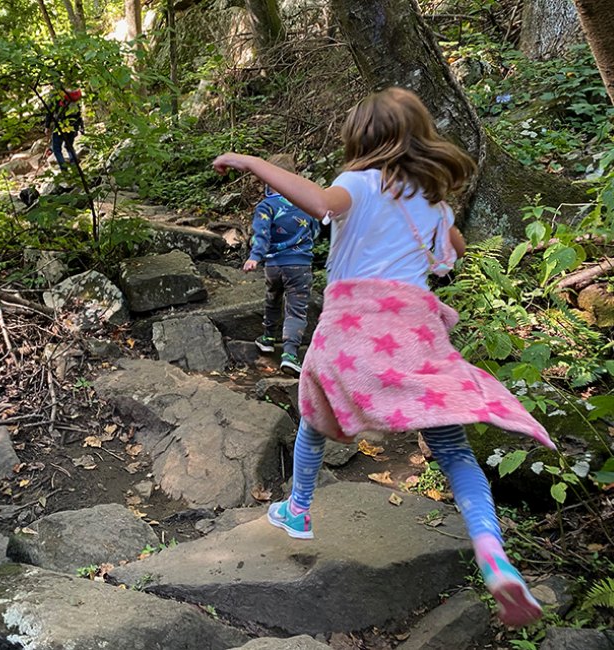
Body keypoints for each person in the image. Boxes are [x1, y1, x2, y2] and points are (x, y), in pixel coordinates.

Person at [213, 87, 555, 628]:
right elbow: (454, 255)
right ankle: (493, 554)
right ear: (420, 138)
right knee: (455, 452)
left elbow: (323, 204)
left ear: (363, 139)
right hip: (414, 335)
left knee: (312, 416)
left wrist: (255, 162)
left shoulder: (358, 182)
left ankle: (297, 509)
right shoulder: (434, 205)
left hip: (353, 329)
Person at [245, 154, 321, 375]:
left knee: (273, 299)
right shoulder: (305, 202)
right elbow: (315, 230)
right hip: (299, 265)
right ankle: (289, 354)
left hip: (274, 265)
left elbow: (261, 235)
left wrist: (255, 257)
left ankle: (268, 338)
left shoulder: (266, 206)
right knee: (296, 310)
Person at [44, 89, 84, 170]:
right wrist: (81, 126)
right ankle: (75, 168)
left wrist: (47, 126)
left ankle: (64, 171)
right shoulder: (74, 92)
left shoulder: (56, 93)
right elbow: (79, 111)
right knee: (69, 146)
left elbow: (49, 111)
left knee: (56, 149)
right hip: (73, 123)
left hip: (61, 124)